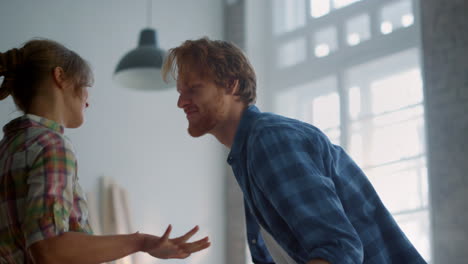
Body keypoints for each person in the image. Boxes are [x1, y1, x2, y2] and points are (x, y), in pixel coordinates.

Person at [162, 37, 426, 264]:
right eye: (180, 92)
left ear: (231, 85)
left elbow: (339, 249)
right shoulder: (249, 154)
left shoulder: (268, 140)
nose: (180, 102)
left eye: (194, 89)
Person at [0, 39, 210, 264]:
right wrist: (141, 242)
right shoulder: (51, 145)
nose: (88, 100)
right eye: (85, 86)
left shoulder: (9, 147)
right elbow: (49, 249)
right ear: (59, 76)